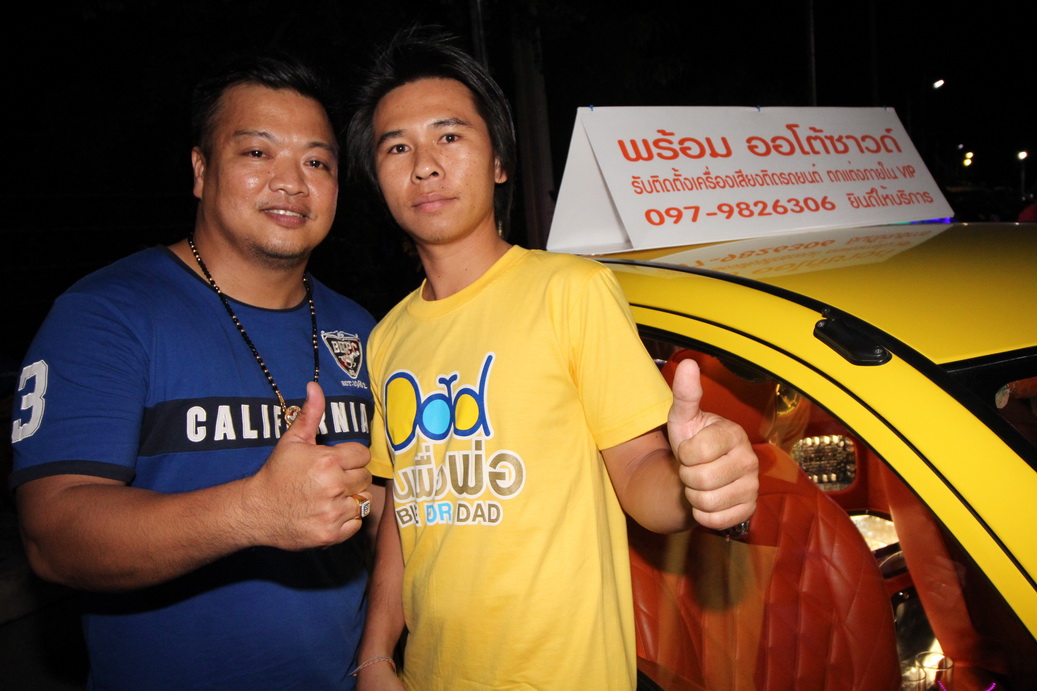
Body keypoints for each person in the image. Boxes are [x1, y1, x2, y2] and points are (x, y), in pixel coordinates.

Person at [344, 30, 759, 690]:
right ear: (380, 181)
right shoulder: (387, 337)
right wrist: (373, 654)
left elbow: (639, 473)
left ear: (499, 162)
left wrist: (696, 482)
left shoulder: (571, 290)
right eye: (397, 147)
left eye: (449, 135)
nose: (424, 165)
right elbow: (405, 508)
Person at [9, 52, 379, 690]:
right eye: (257, 153)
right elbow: (53, 535)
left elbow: (387, 515)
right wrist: (255, 510)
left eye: (317, 162)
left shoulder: (365, 329)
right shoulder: (107, 313)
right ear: (201, 170)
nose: (292, 182)